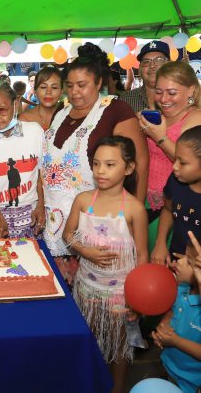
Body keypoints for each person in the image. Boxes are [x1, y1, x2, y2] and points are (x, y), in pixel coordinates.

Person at [41, 43, 148, 285]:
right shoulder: (61, 112)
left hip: (100, 222)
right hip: (56, 219)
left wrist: (134, 215)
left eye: (82, 85)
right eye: (70, 85)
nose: (75, 92)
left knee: (100, 287)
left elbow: (140, 162)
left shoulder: (115, 109)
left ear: (99, 83)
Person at [63, 136, 148, 393]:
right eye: (96, 163)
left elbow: (142, 256)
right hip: (87, 288)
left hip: (120, 293)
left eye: (110, 164)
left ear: (129, 168)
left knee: (119, 346)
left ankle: (117, 388)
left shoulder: (134, 209)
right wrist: (84, 250)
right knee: (88, 340)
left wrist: (137, 300)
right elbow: (68, 235)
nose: (100, 170)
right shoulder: (83, 199)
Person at [0, 80, 45, 238]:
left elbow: (39, 175)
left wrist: (41, 206)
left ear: (16, 103)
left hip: (30, 215)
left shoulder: (34, 132)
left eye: (2, 110)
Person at [138, 61, 201, 220]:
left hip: (177, 205)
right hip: (145, 199)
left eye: (172, 93)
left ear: (191, 90)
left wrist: (160, 138)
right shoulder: (159, 116)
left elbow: (192, 164)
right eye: (159, 92)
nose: (163, 99)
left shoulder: (196, 118)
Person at [152, 231, 201, 393]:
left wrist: (176, 341)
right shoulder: (182, 289)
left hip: (191, 384)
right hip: (167, 366)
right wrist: (163, 328)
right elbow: (172, 312)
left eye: (189, 261)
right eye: (184, 256)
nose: (179, 261)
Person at [151, 126, 201, 265]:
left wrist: (192, 267)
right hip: (174, 260)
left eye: (182, 162)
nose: (175, 167)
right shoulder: (175, 180)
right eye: (176, 160)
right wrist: (160, 243)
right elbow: (168, 209)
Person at [119, 40, 170, 112]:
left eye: (159, 60)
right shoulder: (126, 100)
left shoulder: (181, 98)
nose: (152, 65)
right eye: (146, 62)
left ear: (170, 65)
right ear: (139, 69)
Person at [19, 66, 63, 131]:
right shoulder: (24, 119)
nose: (48, 92)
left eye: (54, 87)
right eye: (43, 87)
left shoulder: (69, 115)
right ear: (35, 91)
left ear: (61, 92)